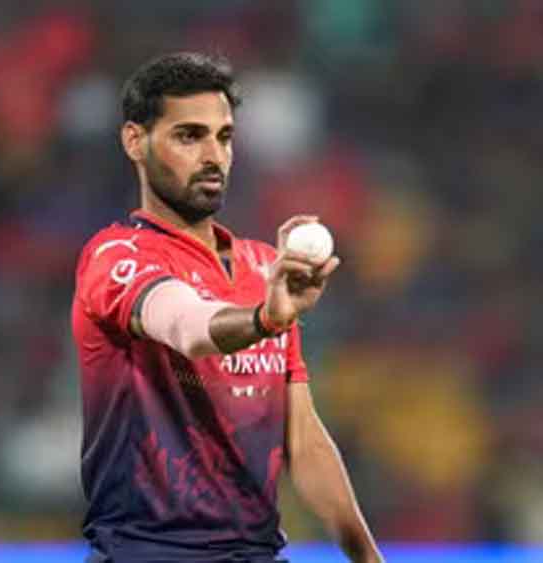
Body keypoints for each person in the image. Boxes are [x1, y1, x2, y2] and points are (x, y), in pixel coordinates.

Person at [70, 52, 382, 563]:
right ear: (135, 141)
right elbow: (187, 325)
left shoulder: (265, 269)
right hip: (148, 554)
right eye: (189, 136)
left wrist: (369, 559)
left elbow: (303, 442)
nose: (213, 156)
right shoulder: (115, 256)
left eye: (224, 137)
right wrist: (266, 319)